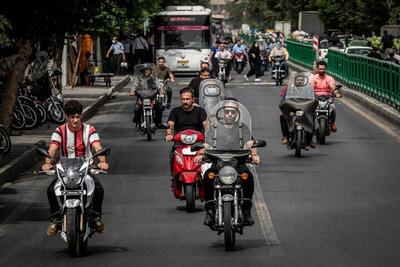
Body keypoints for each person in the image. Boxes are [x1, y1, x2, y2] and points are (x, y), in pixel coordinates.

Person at [42, 100, 109, 236]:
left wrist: (102, 162)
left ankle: (96, 217)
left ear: (81, 116)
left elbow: (97, 147)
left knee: (99, 189)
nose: (75, 120)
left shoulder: (89, 129)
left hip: (85, 169)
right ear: (67, 117)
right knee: (50, 190)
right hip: (65, 170)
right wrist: (47, 164)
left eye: (78, 116)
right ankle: (55, 219)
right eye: (72, 117)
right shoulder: (59, 131)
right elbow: (52, 150)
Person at [194, 98, 260, 226]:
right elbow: (207, 144)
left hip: (238, 164)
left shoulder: (243, 128)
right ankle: (210, 211)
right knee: (208, 176)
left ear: (237, 113)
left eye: (233, 112)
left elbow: (250, 142)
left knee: (247, 177)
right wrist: (200, 153)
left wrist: (255, 155)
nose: (230, 114)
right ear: (222, 112)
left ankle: (247, 212)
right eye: (227, 111)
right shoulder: (214, 128)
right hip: (218, 165)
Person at [165, 87, 208, 174]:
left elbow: (206, 125)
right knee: (173, 156)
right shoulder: (175, 111)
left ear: (193, 99)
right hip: (180, 143)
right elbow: (170, 124)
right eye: (183, 99)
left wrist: (209, 135)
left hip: (198, 142)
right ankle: (175, 178)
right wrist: (169, 134)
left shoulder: (200, 111)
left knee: (206, 160)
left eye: (187, 99)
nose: (185, 101)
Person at [309, 61, 341, 132]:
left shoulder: (329, 78)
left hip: (326, 98)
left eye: (323, 69)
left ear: (325, 69)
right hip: (315, 98)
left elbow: (332, 87)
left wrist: (336, 93)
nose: (321, 70)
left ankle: (332, 123)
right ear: (317, 69)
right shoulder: (313, 78)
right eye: (320, 69)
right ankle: (310, 126)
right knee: (309, 111)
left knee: (333, 108)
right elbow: (309, 87)